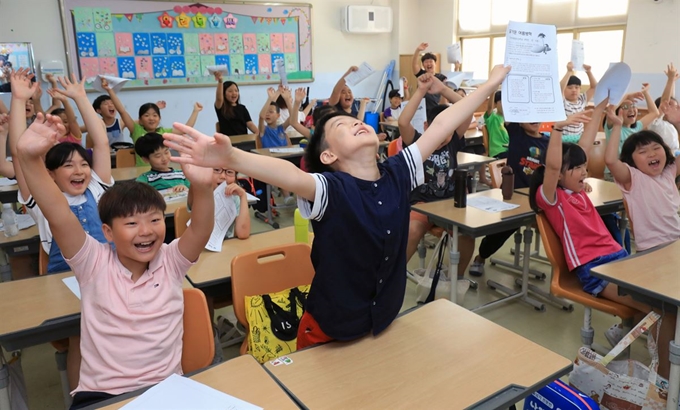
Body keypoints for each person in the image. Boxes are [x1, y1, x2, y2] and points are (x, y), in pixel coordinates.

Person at [163, 65, 512, 350]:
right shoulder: (331, 188)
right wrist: (233, 157)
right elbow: (287, 173)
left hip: (384, 322)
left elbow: (443, 124)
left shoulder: (397, 172)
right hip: (330, 333)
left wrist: (490, 85)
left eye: (355, 120)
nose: (356, 122)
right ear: (329, 156)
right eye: (341, 127)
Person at [16, 113, 214, 409]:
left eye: (155, 220)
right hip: (104, 396)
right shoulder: (92, 262)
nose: (146, 231)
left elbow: (200, 228)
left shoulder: (171, 261)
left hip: (166, 391)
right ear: (107, 232)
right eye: (132, 223)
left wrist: (204, 189)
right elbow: (58, 214)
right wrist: (29, 158)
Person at [530, 97, 675, 379]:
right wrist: (557, 130)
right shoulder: (553, 199)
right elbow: (551, 168)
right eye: (577, 169)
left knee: (669, 300)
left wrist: (598, 111)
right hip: (597, 271)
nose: (585, 172)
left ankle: (661, 364)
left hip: (620, 263)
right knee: (664, 312)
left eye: (584, 167)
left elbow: (581, 149)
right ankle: (667, 383)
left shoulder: (580, 192)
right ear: (559, 176)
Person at [9, 72, 113, 392]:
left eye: (82, 164)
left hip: (108, 272)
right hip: (66, 280)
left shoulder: (97, 188)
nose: (79, 170)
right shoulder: (43, 200)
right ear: (50, 174)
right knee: (81, 338)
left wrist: (81, 98)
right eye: (68, 166)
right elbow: (18, 152)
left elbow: (102, 141)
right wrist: (17, 99)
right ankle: (82, 396)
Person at [397, 72, 474, 274]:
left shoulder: (454, 140)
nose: (442, 135)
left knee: (467, 237)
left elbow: (469, 110)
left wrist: (443, 90)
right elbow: (403, 122)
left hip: (449, 204)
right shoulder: (418, 143)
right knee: (413, 231)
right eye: (437, 129)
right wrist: (421, 91)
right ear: (426, 126)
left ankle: (455, 280)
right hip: (421, 204)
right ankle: (392, 278)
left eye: (447, 130)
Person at [604, 106, 680, 251]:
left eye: (656, 148)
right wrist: (617, 126)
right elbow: (611, 161)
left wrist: (678, 123)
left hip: (676, 241)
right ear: (631, 160)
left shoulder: (668, 173)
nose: (652, 154)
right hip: (651, 249)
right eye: (643, 151)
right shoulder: (633, 178)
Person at [559, 62, 598, 143]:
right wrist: (569, 71)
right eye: (570, 87)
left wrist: (589, 72)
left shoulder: (582, 100)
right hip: (564, 139)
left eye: (577, 87)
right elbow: (560, 88)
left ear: (580, 89)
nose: (574, 90)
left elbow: (594, 87)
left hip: (578, 138)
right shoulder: (563, 101)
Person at [649, 63, 680, 155]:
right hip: (665, 159)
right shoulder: (657, 124)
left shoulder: (670, 123)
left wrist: (673, 82)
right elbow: (665, 101)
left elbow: (671, 98)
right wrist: (670, 80)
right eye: (674, 106)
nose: (678, 107)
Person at [411, 43, 448, 112]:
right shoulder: (422, 75)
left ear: (435, 64)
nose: (428, 64)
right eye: (426, 62)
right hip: (421, 109)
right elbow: (414, 64)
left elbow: (445, 96)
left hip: (435, 109)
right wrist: (418, 50)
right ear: (423, 65)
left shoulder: (442, 77)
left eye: (431, 61)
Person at [484, 90, 509, 159]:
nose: (504, 104)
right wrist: (493, 91)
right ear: (495, 104)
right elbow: (489, 108)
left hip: (509, 149)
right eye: (501, 102)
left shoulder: (510, 119)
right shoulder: (493, 118)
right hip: (498, 151)